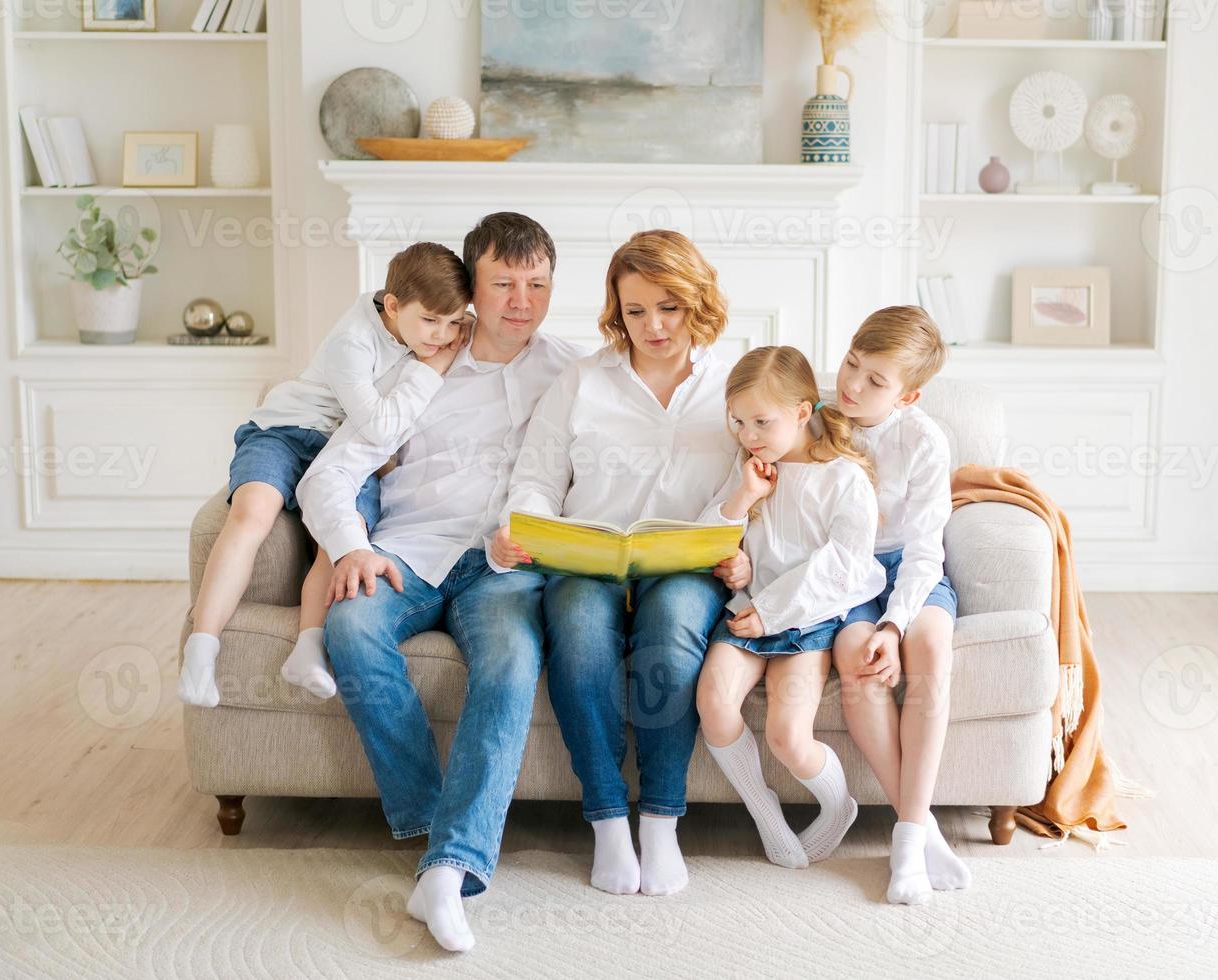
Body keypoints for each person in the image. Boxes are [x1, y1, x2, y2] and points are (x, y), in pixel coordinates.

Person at [298, 213, 587, 952]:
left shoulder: (571, 371)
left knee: (513, 660)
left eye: (538, 285)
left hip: (502, 568)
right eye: (503, 284)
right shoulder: (418, 366)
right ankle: (438, 831)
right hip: (411, 552)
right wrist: (352, 547)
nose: (521, 302)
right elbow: (329, 473)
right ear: (471, 288)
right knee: (351, 625)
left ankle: (448, 871)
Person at [491, 229, 745, 898]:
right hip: (587, 555)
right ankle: (607, 820)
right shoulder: (583, 379)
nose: (653, 326)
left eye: (669, 308)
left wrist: (731, 541)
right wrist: (524, 528)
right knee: (574, 623)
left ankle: (660, 820)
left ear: (698, 302)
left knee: (673, 624)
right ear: (616, 311)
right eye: (635, 312)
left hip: (684, 563)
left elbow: (756, 477)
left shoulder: (733, 382)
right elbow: (538, 477)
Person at [179, 242, 471, 707]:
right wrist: (430, 367)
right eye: (431, 321)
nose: (442, 335)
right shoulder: (352, 341)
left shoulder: (425, 333)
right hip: (287, 433)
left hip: (346, 456)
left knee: (339, 538)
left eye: (454, 322)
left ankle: (308, 648)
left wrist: (450, 334)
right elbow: (379, 426)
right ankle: (201, 648)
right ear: (392, 306)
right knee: (253, 513)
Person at [695, 345, 886, 871]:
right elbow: (721, 537)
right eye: (738, 421)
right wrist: (740, 553)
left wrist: (774, 607)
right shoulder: (751, 466)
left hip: (807, 617)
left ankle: (838, 803)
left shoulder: (843, 478)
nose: (748, 434)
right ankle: (765, 813)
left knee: (787, 735)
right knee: (713, 700)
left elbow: (843, 565)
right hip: (750, 609)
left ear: (803, 413)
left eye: (762, 421)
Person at [830, 305, 973, 904]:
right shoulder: (816, 422)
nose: (852, 385)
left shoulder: (923, 440)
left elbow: (924, 546)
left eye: (875, 381)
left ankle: (907, 839)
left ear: (909, 397)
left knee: (929, 646)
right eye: (851, 364)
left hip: (911, 571)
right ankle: (918, 829)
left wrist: (896, 620)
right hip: (847, 573)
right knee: (857, 660)